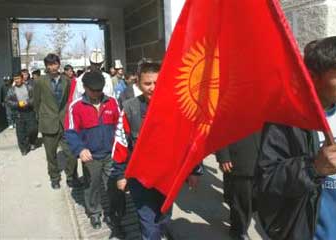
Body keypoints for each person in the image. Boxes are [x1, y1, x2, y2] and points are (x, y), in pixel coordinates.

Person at [254, 36, 336, 240]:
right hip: (300, 231)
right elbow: (266, 183)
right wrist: (313, 167)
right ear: (313, 77)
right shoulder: (286, 120)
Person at [112, 62, 203, 240]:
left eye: (157, 82)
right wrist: (120, 174)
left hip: (167, 177)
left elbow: (190, 141)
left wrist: (194, 170)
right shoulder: (130, 108)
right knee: (149, 226)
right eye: (147, 83)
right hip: (141, 179)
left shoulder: (178, 108)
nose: (153, 88)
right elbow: (120, 144)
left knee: (164, 217)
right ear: (138, 83)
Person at [65, 71, 120, 229]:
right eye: (93, 90)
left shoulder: (112, 102)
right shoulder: (76, 107)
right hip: (91, 156)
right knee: (92, 186)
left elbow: (120, 127)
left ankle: (115, 214)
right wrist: (80, 149)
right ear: (84, 88)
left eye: (99, 90)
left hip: (111, 154)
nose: (96, 94)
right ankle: (94, 213)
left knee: (113, 186)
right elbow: (70, 131)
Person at [33, 53, 79, 189]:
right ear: (46, 66)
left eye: (54, 64)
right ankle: (54, 178)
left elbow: (69, 100)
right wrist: (41, 117)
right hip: (48, 122)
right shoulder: (40, 81)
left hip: (64, 122)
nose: (52, 67)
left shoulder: (67, 80)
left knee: (71, 153)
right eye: (49, 65)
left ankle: (72, 177)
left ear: (59, 64)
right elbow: (36, 102)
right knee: (51, 154)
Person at [216, 133, 261, 240]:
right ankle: (238, 231)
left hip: (261, 160)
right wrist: (223, 156)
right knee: (241, 200)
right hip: (238, 159)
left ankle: (238, 220)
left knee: (254, 201)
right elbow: (220, 129)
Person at [5, 72, 37, 155]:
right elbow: (7, 101)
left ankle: (32, 142)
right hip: (18, 113)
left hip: (29, 111)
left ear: (22, 78)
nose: (17, 80)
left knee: (33, 129)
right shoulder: (11, 90)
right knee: (20, 133)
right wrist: (17, 104)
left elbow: (35, 97)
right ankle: (23, 148)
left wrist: (28, 102)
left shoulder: (29, 87)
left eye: (18, 78)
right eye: (15, 79)